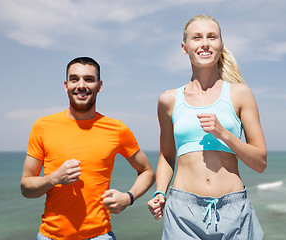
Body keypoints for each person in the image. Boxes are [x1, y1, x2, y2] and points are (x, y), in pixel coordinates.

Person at [147, 15, 267, 240]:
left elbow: (260, 162)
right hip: (183, 213)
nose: (204, 43)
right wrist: (160, 192)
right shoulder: (168, 100)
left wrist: (224, 134)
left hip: (234, 212)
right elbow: (167, 155)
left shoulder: (240, 94)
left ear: (221, 45)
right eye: (196, 38)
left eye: (212, 37)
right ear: (185, 47)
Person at [21, 57, 155, 240]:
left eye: (89, 79)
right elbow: (26, 188)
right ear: (66, 85)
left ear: (99, 86)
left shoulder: (116, 129)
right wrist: (54, 178)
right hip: (50, 236)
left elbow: (147, 171)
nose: (81, 85)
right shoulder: (43, 126)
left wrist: (128, 198)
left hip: (99, 236)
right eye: (74, 79)